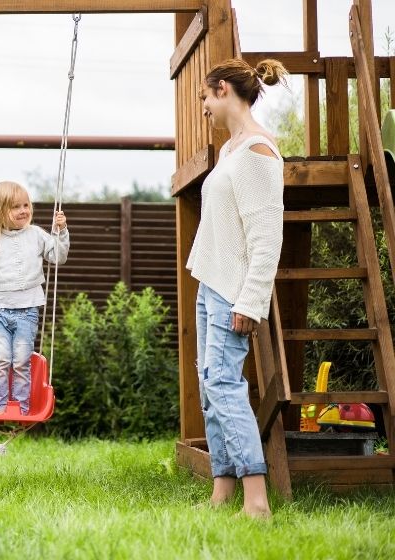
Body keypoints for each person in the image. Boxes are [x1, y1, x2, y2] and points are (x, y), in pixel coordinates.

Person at [187, 58, 288, 518]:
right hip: (211, 283)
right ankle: (222, 488)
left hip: (234, 291)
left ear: (223, 90)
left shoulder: (258, 152)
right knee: (210, 387)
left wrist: (252, 300)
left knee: (225, 385)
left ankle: (257, 499)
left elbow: (267, 238)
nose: (204, 107)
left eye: (206, 97)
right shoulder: (231, 151)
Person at [0, 181, 69, 415]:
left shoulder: (36, 235)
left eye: (26, 204)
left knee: (22, 361)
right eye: (16, 207)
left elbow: (58, 256)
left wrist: (60, 231)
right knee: (1, 359)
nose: (23, 210)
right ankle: (1, 406)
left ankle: (21, 408)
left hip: (28, 311)